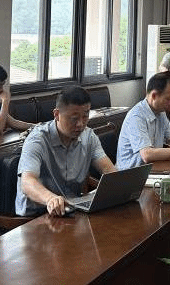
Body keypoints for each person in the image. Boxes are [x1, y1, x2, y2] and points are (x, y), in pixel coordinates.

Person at [15, 86, 116, 217]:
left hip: (70, 211)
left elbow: (108, 170)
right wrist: (50, 199)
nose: (80, 124)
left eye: (85, 116)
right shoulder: (37, 140)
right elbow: (27, 182)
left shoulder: (89, 136)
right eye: (74, 118)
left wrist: (121, 185)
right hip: (37, 215)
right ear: (57, 115)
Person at [116, 73, 170, 169]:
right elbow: (147, 155)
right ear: (154, 95)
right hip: (130, 172)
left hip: (150, 167)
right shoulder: (137, 116)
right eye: (168, 98)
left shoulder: (160, 112)